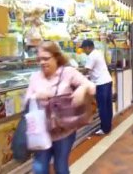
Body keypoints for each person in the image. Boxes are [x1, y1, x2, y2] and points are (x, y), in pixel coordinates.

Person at [26, 41, 95, 174]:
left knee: (60, 164)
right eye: (39, 59)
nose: (42, 62)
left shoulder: (68, 72)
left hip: (64, 130)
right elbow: (27, 101)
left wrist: (82, 89)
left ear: (56, 57)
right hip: (41, 131)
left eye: (46, 58)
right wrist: (36, 96)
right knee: (39, 167)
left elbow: (91, 87)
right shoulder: (35, 77)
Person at [81, 39, 113, 135]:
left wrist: (75, 72)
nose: (83, 51)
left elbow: (86, 70)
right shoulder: (98, 53)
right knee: (108, 106)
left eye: (83, 49)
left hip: (101, 84)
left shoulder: (92, 56)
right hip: (107, 81)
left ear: (88, 47)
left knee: (102, 107)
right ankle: (108, 126)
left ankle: (104, 129)